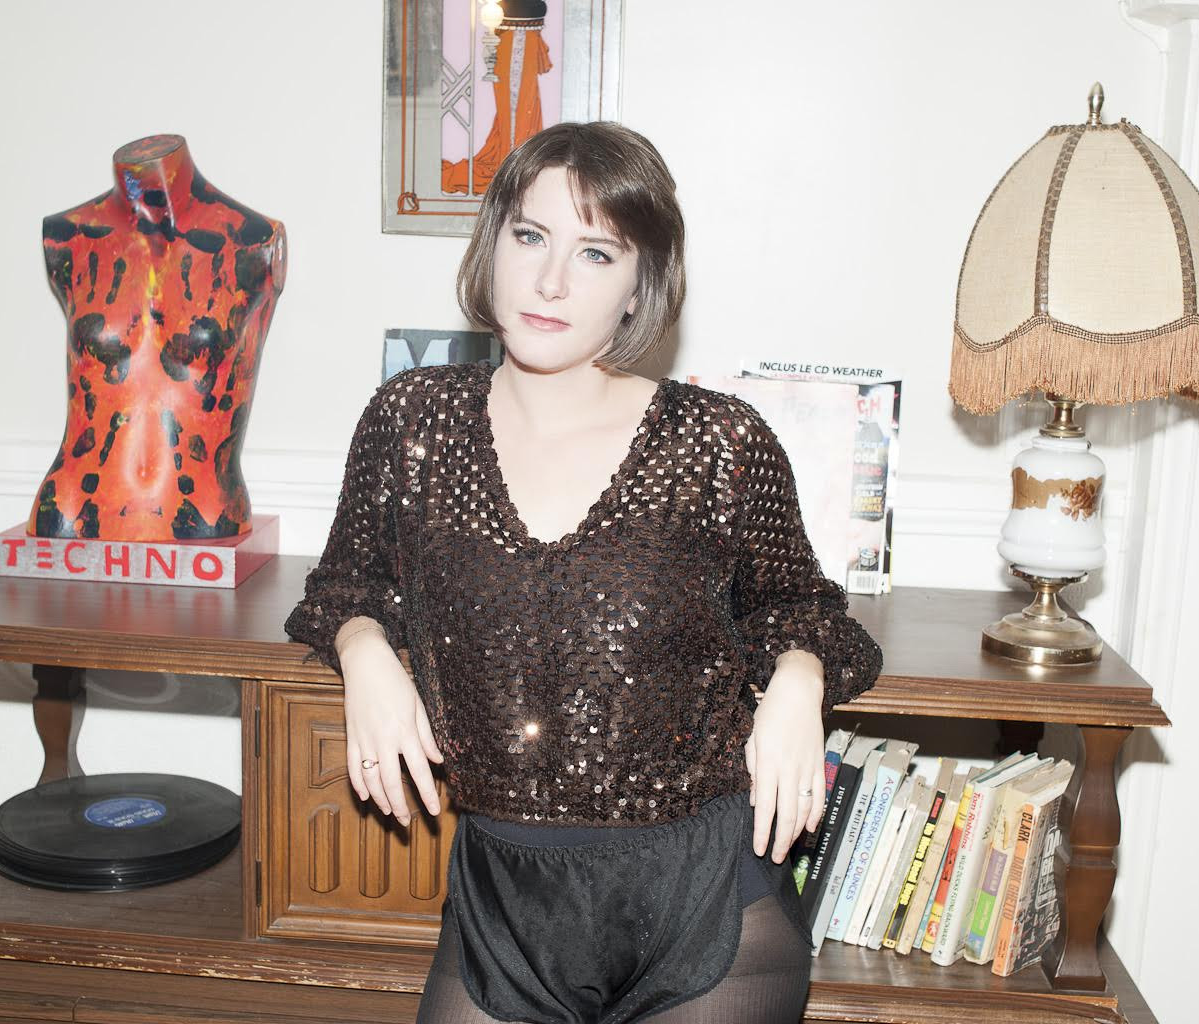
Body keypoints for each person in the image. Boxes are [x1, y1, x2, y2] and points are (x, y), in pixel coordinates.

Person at [283, 121, 883, 1024]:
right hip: (503, 901)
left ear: (640, 286)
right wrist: (364, 651)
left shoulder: (717, 442)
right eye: (531, 236)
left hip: (707, 900)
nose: (551, 280)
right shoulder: (410, 421)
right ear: (493, 244)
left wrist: (797, 683)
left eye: (596, 253)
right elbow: (345, 586)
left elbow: (802, 610)